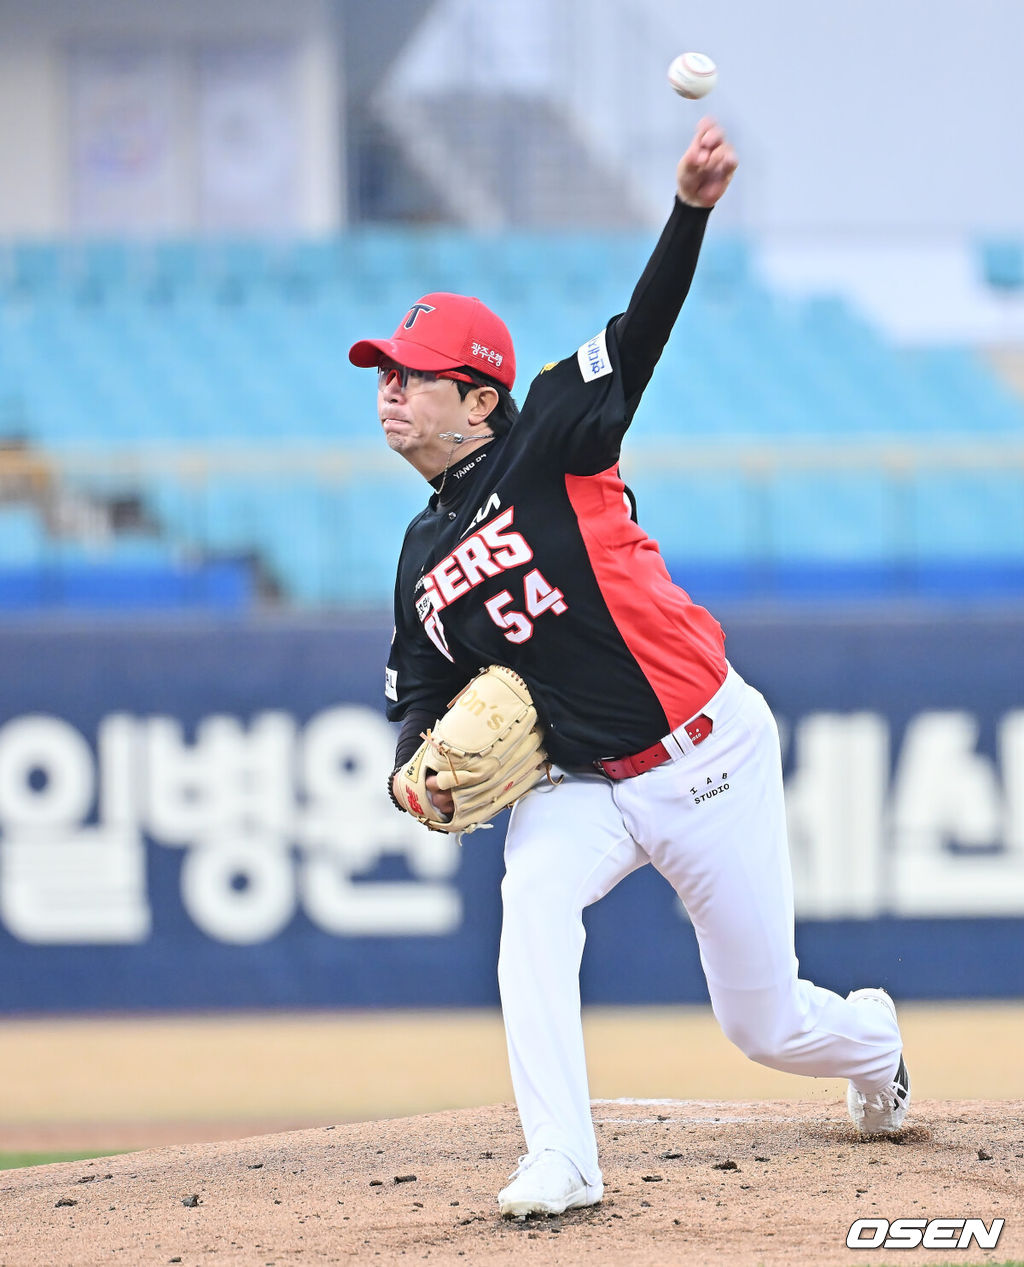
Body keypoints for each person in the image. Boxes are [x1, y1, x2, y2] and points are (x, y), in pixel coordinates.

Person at [348, 117, 910, 1220]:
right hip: (581, 783)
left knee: (766, 1025)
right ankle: (563, 1157)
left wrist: (689, 207)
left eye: (414, 375)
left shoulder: (553, 432)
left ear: (479, 397)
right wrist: (413, 765)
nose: (389, 389)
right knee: (531, 907)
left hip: (706, 753)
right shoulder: (419, 558)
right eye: (383, 372)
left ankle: (875, 1044)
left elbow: (639, 331)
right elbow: (416, 688)